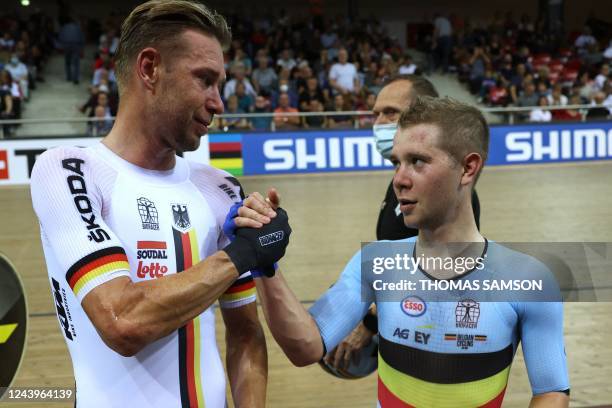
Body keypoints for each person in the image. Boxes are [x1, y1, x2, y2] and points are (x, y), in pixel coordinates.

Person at [29, 1, 291, 407]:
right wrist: (242, 254)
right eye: (204, 80)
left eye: (219, 84)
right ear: (149, 68)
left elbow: (245, 333)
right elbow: (123, 322)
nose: (219, 103)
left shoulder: (220, 187)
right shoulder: (69, 171)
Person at [238, 97, 570, 407]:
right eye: (398, 162)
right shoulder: (375, 263)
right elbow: (304, 346)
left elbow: (552, 389)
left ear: (468, 168)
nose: (399, 179)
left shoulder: (528, 279)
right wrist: (265, 263)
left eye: (417, 162)